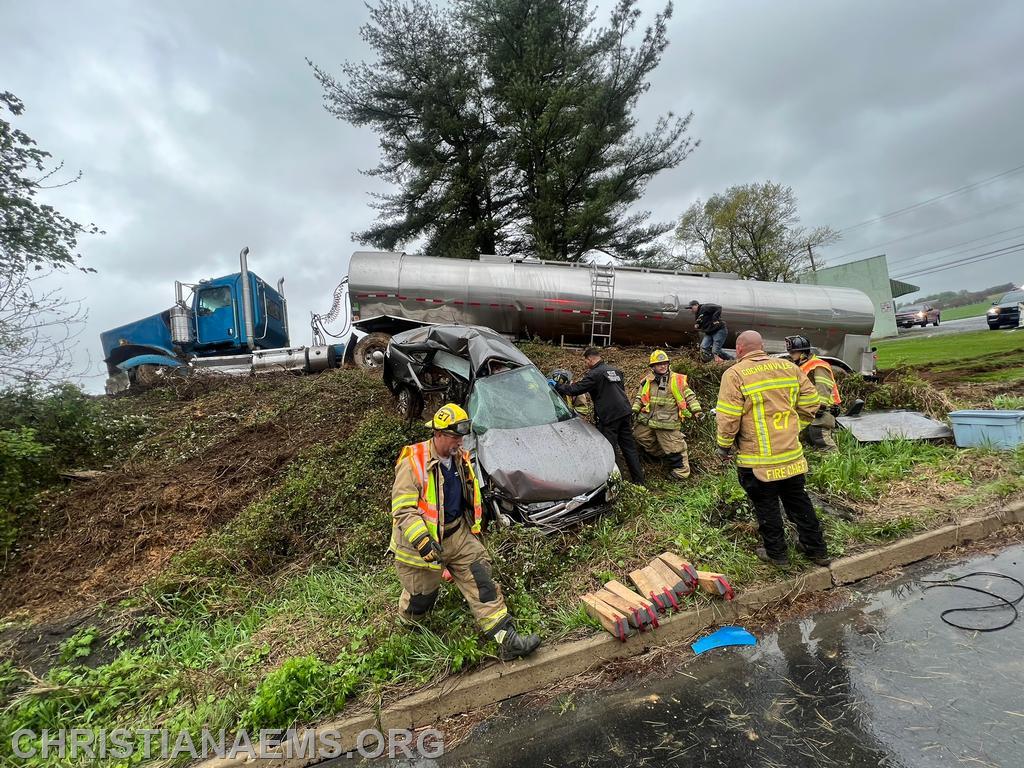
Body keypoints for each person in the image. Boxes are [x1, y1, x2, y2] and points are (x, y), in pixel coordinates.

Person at [390, 403, 541, 660]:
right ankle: (403, 639)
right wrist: (423, 541)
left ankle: (508, 641)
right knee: (421, 599)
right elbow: (403, 509)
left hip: (457, 535)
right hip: (422, 546)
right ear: (438, 434)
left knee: (482, 581)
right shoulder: (413, 461)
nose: (459, 442)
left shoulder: (460, 457)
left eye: (461, 437)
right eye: (454, 437)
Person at [714, 331, 831, 567]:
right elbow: (812, 403)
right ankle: (816, 549)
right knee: (798, 501)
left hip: (757, 460)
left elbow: (728, 418)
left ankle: (778, 555)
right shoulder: (788, 367)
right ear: (762, 346)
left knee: (766, 506)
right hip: (791, 456)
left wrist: (723, 447)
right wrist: (794, 426)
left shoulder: (735, 374)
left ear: (738, 350)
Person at [555, 348, 646, 485]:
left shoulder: (595, 374)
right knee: (629, 448)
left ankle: (614, 483)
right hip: (625, 412)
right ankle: (640, 482)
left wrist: (557, 386)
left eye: (585, 361)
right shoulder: (615, 371)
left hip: (609, 416)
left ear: (590, 359)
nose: (586, 364)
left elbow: (575, 390)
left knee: (609, 449)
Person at [631, 350, 703, 480]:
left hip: (667, 422)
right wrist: (634, 411)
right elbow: (639, 397)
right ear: (652, 367)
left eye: (664, 363)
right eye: (659, 364)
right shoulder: (647, 381)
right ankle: (664, 455)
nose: (663, 366)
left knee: (675, 447)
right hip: (648, 420)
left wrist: (697, 412)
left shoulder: (677, 380)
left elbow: (690, 397)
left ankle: (681, 472)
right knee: (640, 436)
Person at [785, 335, 841, 452]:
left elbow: (823, 386)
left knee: (819, 436)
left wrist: (820, 406)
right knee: (808, 437)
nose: (791, 355)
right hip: (808, 409)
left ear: (803, 353)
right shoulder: (801, 366)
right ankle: (821, 463)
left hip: (822, 410)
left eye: (793, 352)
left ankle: (835, 462)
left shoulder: (818, 365)